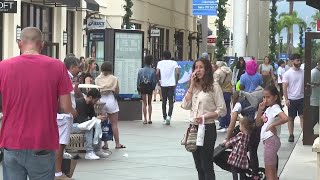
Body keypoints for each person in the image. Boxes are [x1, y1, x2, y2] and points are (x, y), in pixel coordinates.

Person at [0, 27, 76, 180]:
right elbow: (65, 107)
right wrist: (75, 112)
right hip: (42, 141)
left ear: (19, 44)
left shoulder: (3, 67)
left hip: (12, 140)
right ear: (42, 45)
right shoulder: (57, 66)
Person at [181, 57, 227, 180]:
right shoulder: (195, 87)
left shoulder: (214, 86)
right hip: (194, 128)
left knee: (206, 165)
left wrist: (207, 115)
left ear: (207, 69)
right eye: (196, 67)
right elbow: (185, 105)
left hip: (207, 128)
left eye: (201, 67)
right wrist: (191, 85)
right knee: (199, 166)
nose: (198, 70)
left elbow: (222, 110)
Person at [55, 56, 82, 180]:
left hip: (63, 115)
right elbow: (63, 99)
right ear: (72, 67)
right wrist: (73, 111)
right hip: (64, 116)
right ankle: (58, 173)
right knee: (60, 146)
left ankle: (57, 171)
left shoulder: (66, 77)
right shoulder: (65, 77)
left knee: (60, 145)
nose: (79, 70)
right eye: (78, 67)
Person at [256, 85, 289, 180]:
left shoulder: (275, 107)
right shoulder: (269, 108)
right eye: (264, 97)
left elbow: (285, 118)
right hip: (268, 141)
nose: (265, 100)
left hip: (271, 140)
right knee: (271, 170)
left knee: (269, 170)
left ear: (275, 97)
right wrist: (260, 110)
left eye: (268, 97)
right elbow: (258, 123)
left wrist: (273, 125)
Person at [95, 62, 126, 149]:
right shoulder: (114, 79)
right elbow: (117, 91)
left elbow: (96, 90)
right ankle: (117, 143)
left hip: (101, 100)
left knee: (102, 122)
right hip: (111, 99)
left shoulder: (97, 79)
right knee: (114, 124)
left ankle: (105, 144)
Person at [71, 89, 109, 160]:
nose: (96, 102)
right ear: (90, 97)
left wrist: (99, 119)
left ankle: (97, 150)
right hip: (73, 125)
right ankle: (89, 152)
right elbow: (81, 121)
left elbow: (93, 118)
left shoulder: (90, 104)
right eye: (95, 100)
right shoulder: (80, 103)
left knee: (97, 123)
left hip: (81, 125)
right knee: (89, 127)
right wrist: (95, 119)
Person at [282, 53, 304, 142]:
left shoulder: (303, 72)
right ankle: (291, 135)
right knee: (291, 118)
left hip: (302, 98)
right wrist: (286, 99)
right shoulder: (287, 74)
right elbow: (284, 87)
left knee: (303, 117)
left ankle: (304, 135)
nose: (299, 62)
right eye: (297, 60)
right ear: (292, 61)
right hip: (291, 99)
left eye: (300, 60)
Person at [156, 50, 179, 125]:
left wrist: (159, 81)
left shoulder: (160, 63)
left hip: (163, 84)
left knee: (164, 101)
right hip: (171, 83)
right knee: (171, 101)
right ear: (170, 56)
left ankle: (164, 117)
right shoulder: (174, 63)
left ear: (163, 56)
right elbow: (177, 72)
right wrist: (176, 81)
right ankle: (169, 116)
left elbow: (157, 73)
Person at [137, 55, 157, 124]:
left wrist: (138, 88)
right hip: (149, 87)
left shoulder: (140, 70)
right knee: (149, 103)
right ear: (151, 61)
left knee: (144, 103)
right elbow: (154, 81)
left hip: (142, 87)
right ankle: (150, 119)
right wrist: (153, 87)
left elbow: (138, 81)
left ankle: (145, 119)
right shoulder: (153, 71)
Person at [214, 61, 233, 132]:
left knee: (221, 108)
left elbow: (215, 83)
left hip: (221, 92)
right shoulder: (230, 71)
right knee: (228, 108)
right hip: (229, 91)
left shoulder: (218, 72)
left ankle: (222, 124)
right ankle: (228, 123)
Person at [311, 58, 320, 132]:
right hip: (314, 99)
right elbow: (310, 84)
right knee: (314, 118)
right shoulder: (314, 72)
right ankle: (309, 132)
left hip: (317, 99)